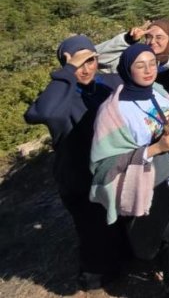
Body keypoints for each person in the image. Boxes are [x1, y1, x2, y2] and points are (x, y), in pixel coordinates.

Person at [90, 45, 169, 298]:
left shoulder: (158, 92)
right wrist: (153, 149)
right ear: (127, 70)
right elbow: (105, 161)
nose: (149, 70)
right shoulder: (113, 111)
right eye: (140, 65)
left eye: (152, 63)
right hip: (146, 181)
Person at [24, 36, 126, 291]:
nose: (86, 68)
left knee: (114, 220)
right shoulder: (61, 98)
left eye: (91, 60)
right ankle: (93, 277)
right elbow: (41, 113)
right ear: (66, 66)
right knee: (92, 231)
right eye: (79, 63)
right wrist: (68, 72)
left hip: (107, 172)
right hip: (77, 178)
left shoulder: (105, 84)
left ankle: (123, 259)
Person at [96, 19, 169, 92]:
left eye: (159, 37)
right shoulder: (130, 62)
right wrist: (128, 39)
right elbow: (96, 57)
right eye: (149, 37)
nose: (152, 41)